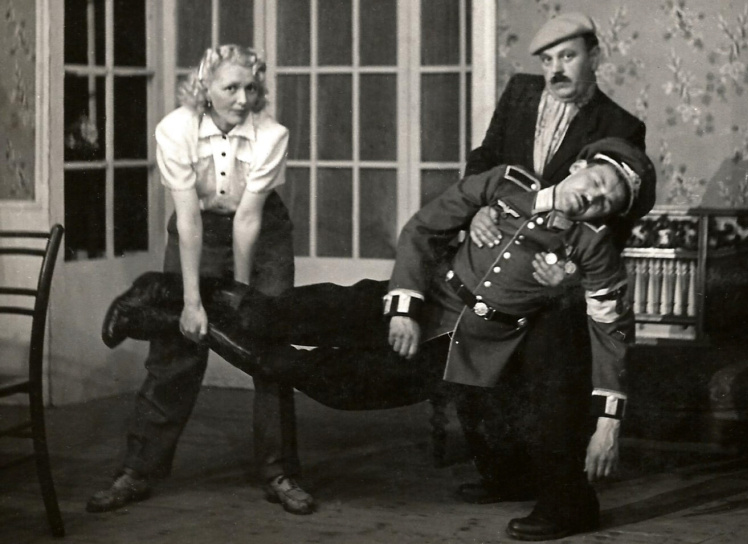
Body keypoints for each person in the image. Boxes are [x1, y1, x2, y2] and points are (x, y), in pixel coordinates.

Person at [101, 138, 654, 541]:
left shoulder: (592, 251)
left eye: (607, 202)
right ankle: (161, 290)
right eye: (596, 182)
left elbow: (611, 332)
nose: (593, 198)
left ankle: (161, 316)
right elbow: (423, 228)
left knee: (330, 382)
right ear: (579, 166)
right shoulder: (505, 183)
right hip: (417, 297)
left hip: (459, 351)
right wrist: (405, 307)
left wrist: (608, 419)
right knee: (277, 313)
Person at [86, 45, 314, 516]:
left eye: (251, 88)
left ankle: (279, 472)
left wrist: (242, 299)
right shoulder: (175, 129)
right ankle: (138, 470)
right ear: (204, 87)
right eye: (230, 88)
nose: (242, 99)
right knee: (176, 349)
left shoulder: (272, 134)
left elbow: (248, 220)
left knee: (269, 347)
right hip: (198, 231)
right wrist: (193, 302)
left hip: (264, 233)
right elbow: (188, 219)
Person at [454, 12, 650, 541]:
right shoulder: (520, 95)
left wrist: (569, 275)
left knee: (552, 369)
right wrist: (477, 208)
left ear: (594, 56)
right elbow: (487, 158)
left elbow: (613, 223)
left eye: (568, 56)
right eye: (547, 60)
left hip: (561, 281)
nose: (556, 69)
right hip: (501, 258)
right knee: (467, 344)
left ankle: (568, 503)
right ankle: (505, 474)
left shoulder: (621, 126)